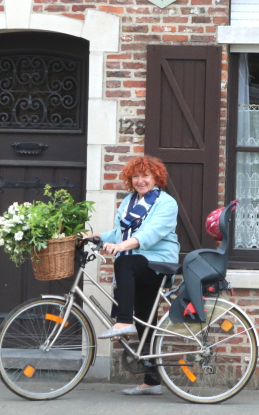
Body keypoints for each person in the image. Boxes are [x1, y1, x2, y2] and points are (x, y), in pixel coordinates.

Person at [83, 154, 180, 395]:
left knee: (124, 265)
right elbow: (118, 233)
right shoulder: (128, 202)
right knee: (146, 319)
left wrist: (122, 247)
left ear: (155, 177)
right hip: (139, 261)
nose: (140, 180)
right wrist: (94, 237)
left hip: (158, 262)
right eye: (135, 176)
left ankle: (123, 321)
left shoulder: (166, 203)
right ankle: (152, 380)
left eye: (145, 175)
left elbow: (150, 235)